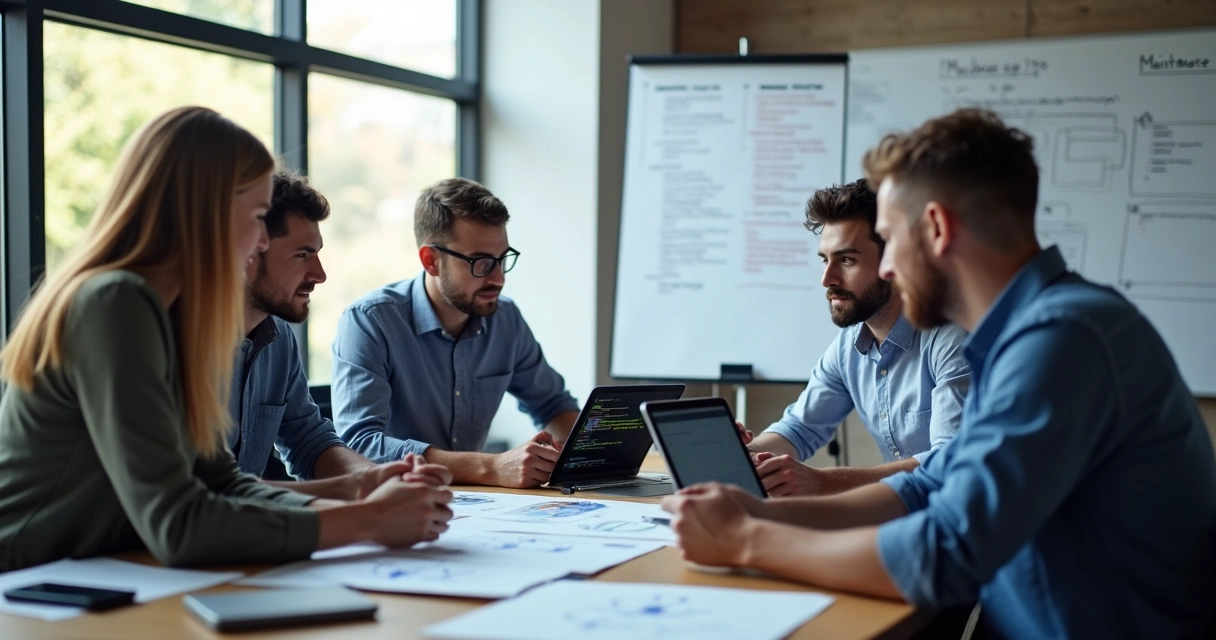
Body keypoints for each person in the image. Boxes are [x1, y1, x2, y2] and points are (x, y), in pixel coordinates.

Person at [661, 109, 1216, 638]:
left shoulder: (1063, 338)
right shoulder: (1029, 331)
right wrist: (759, 512)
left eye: (890, 238)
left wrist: (747, 539)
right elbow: (933, 481)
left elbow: (944, 550)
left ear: (936, 228)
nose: (889, 267)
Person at [0, 106, 453, 572]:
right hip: (27, 584)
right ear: (206, 210)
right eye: (257, 216)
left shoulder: (178, 321)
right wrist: (368, 522)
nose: (260, 241)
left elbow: (220, 485)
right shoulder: (117, 302)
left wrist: (355, 492)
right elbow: (180, 524)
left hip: (102, 573)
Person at [331, 177, 581, 489]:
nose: (498, 278)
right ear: (431, 261)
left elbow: (553, 405)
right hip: (395, 505)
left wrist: (593, 455)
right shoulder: (370, 321)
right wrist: (489, 467)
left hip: (480, 506)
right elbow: (360, 444)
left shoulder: (505, 319)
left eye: (502, 259)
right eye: (481, 263)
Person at [742, 179, 970, 496]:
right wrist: (743, 454)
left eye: (847, 260)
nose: (827, 279)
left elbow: (949, 463)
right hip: (902, 516)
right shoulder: (849, 345)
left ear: (895, 261)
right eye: (825, 259)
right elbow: (799, 429)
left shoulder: (953, 341)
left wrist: (824, 481)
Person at [231, 169, 432, 500]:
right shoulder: (177, 341)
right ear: (250, 252)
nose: (320, 275)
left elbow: (310, 441)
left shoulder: (278, 339)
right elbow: (202, 492)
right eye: (302, 254)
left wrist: (378, 479)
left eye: (318, 252)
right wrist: (358, 501)